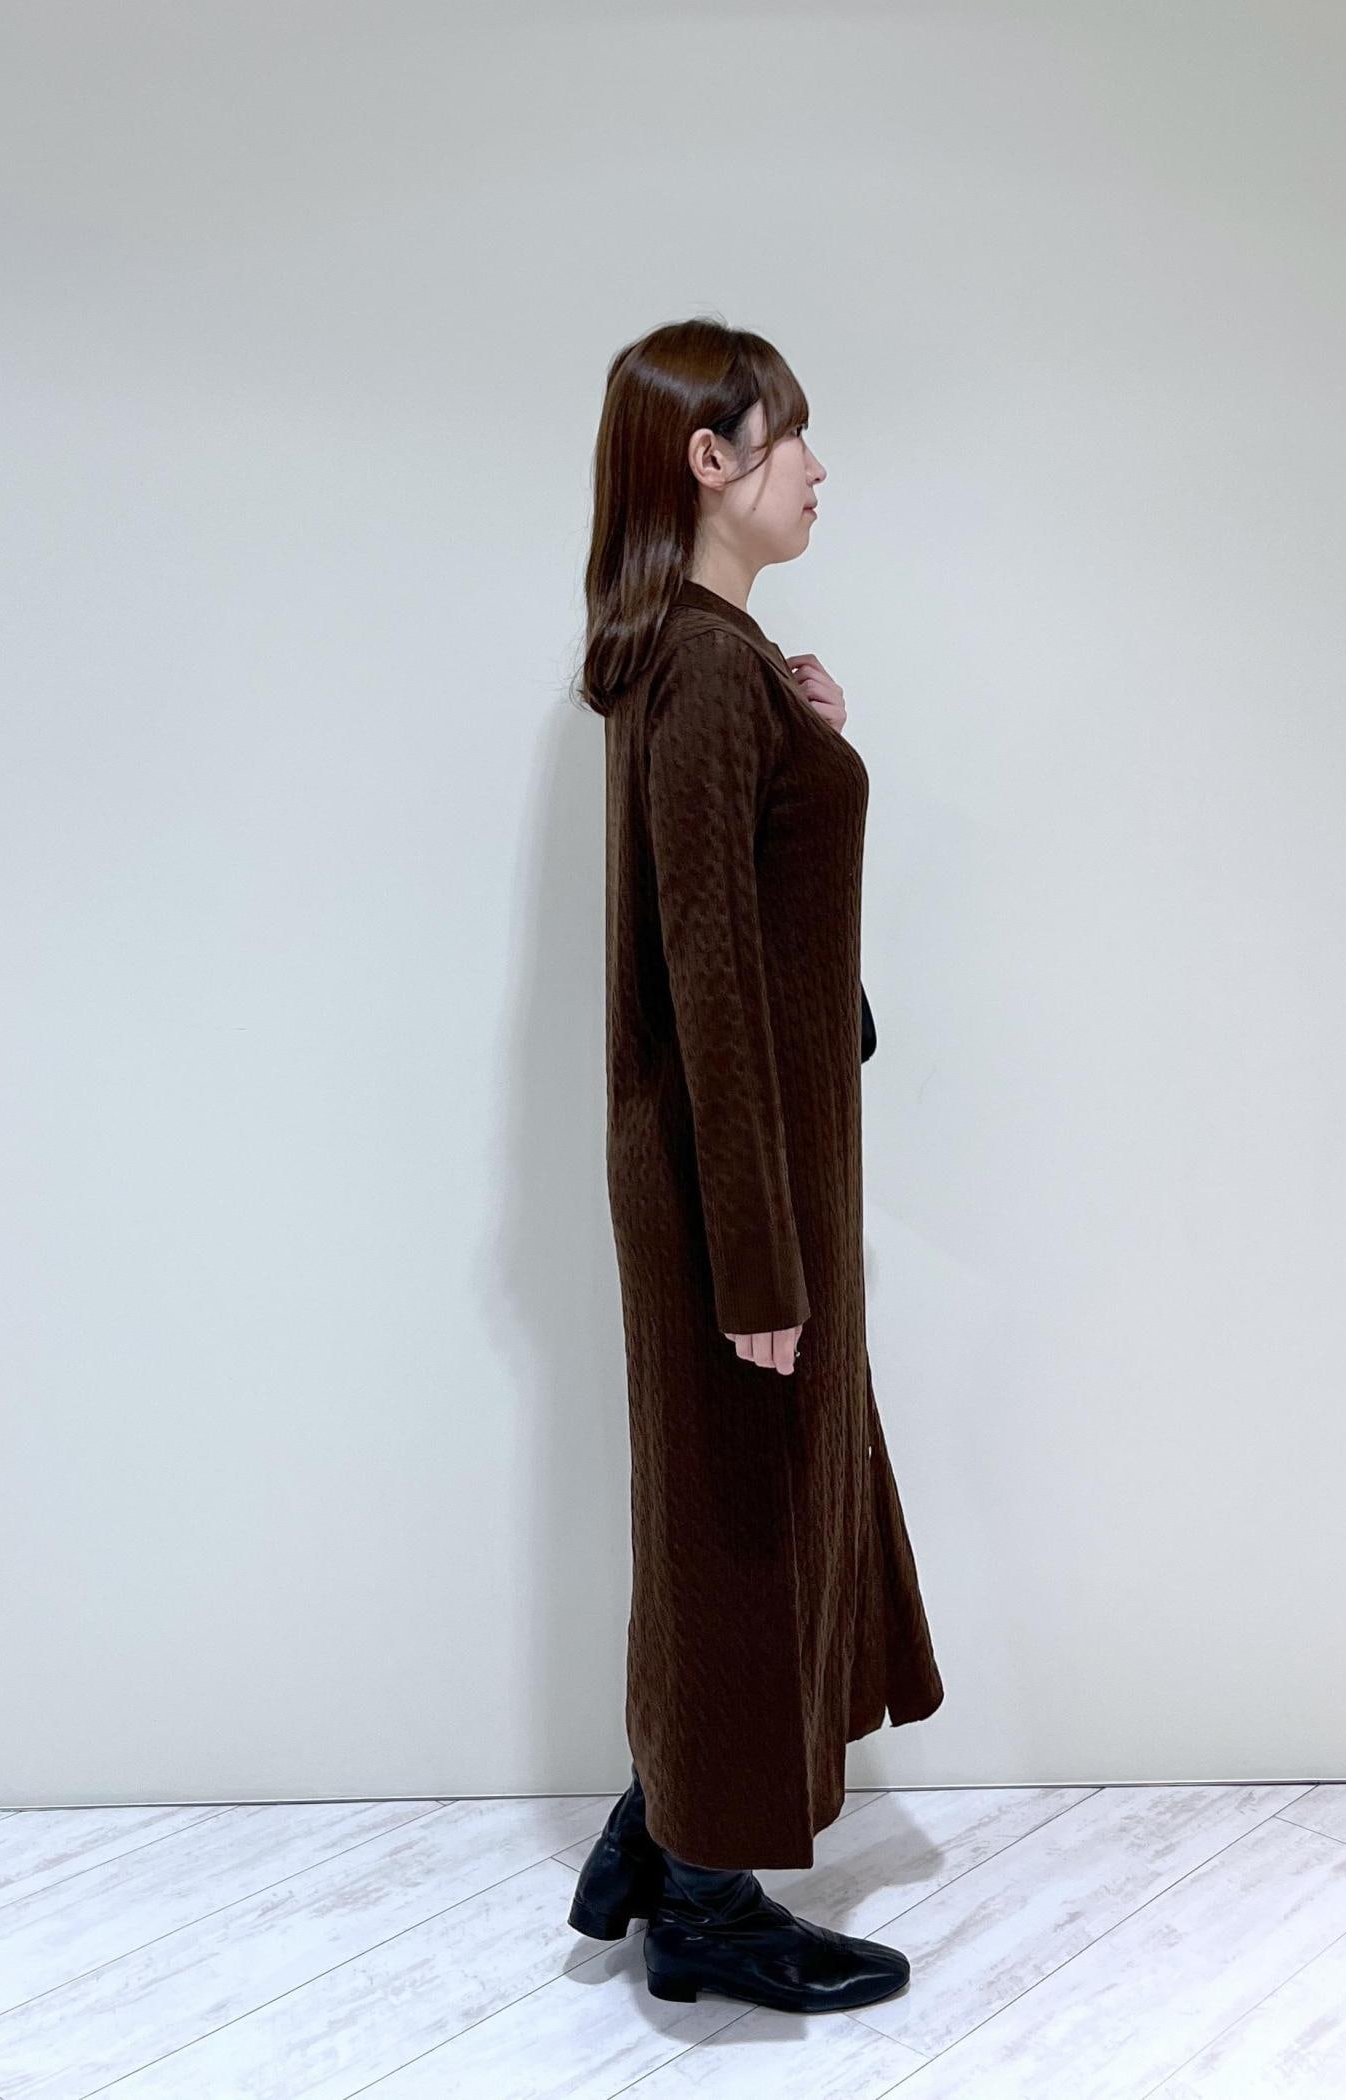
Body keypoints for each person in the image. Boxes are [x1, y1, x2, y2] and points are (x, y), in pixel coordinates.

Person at [568, 316, 945, 2013]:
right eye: (788, 436)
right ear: (709, 461)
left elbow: (754, 933)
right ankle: (707, 1906)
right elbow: (708, 979)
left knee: (737, 1515)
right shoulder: (706, 670)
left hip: (751, 1175)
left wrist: (822, 749)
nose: (816, 467)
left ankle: (664, 1828)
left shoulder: (706, 661)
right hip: (742, 1193)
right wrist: (758, 1265)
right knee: (743, 1536)